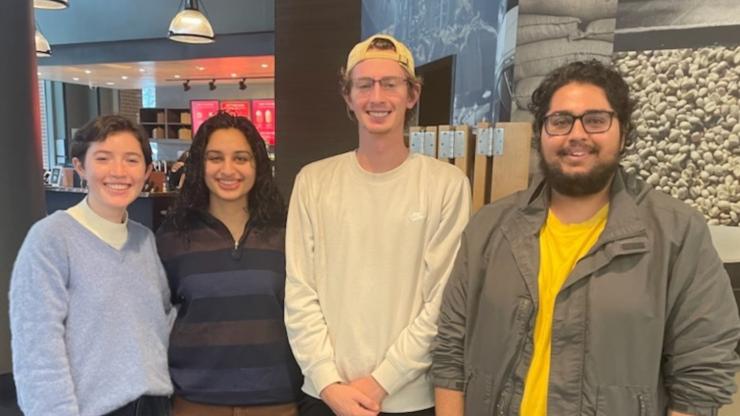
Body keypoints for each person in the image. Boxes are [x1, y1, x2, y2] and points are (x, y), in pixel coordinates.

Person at [431, 59, 740, 416]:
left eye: (595, 120)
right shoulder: (488, 228)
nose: (576, 134)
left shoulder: (676, 233)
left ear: (623, 133)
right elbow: (450, 351)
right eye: (560, 121)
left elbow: (703, 369)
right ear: (540, 135)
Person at [285, 33, 471, 416]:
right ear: (348, 97)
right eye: (364, 85)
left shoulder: (446, 185)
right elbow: (300, 292)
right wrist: (330, 383)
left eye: (391, 84)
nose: (377, 97)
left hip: (409, 399)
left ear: (411, 95)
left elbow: (442, 301)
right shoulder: (313, 182)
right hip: (325, 396)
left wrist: (379, 382)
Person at [9, 115, 174, 416]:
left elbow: (161, 321)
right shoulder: (51, 239)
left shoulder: (144, 240)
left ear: (147, 171)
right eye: (103, 158)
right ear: (81, 166)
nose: (119, 172)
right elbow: (37, 350)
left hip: (153, 404)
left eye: (132, 160)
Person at [155, 111, 303, 416]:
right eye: (215, 158)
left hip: (276, 400)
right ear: (200, 165)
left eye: (240, 158)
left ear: (257, 165)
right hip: (195, 402)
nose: (228, 169)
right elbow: (155, 319)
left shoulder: (287, 232)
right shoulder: (174, 235)